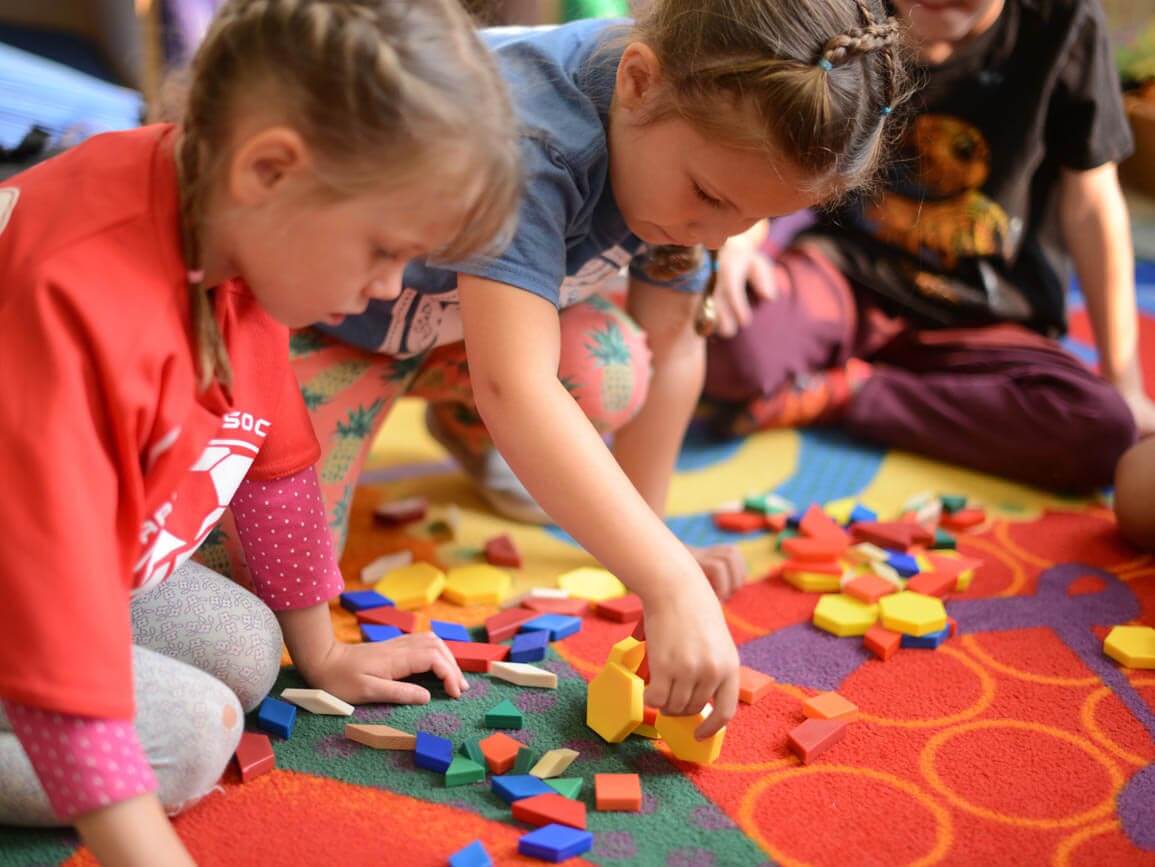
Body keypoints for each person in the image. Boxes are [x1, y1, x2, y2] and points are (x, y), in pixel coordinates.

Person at [299, 0, 912, 742]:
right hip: (324, 319)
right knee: (281, 576)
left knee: (610, 367)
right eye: (711, 197)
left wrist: (646, 543)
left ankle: (459, 422)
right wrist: (669, 579)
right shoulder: (530, 138)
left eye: (745, 220)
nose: (716, 233)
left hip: (457, 321)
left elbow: (675, 344)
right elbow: (514, 386)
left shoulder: (689, 128)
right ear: (637, 83)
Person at [0, 0, 519, 861]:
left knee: (252, 648)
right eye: (382, 250)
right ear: (270, 169)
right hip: (30, 565)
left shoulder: (230, 217)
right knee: (192, 734)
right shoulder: (80, 300)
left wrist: (324, 650)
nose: (390, 288)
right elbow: (48, 595)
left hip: (82, 547)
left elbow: (267, 457)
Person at [706, 0, 1146, 494]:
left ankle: (847, 391)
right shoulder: (849, 10)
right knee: (722, 344)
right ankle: (885, 390)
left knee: (1100, 428)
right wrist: (740, 237)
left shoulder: (1063, 22)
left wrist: (1122, 379)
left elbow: (1091, 205)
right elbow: (774, 134)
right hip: (849, 277)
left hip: (986, 316)